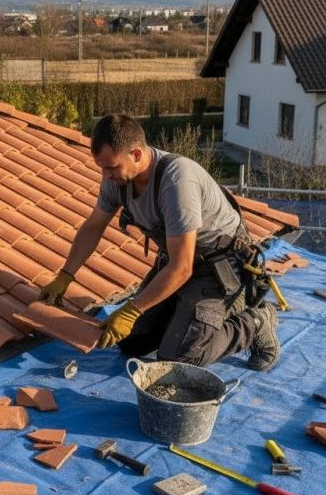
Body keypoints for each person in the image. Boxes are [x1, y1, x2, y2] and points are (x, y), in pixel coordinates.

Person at [39, 114, 280, 371]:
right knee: (130, 341)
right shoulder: (117, 179)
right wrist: (65, 276)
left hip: (218, 269)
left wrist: (132, 310)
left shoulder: (177, 182)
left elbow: (182, 268)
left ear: (136, 154)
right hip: (177, 261)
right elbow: (93, 227)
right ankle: (184, 319)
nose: (106, 175)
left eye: (111, 168)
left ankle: (256, 322)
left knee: (178, 359)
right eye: (102, 168)